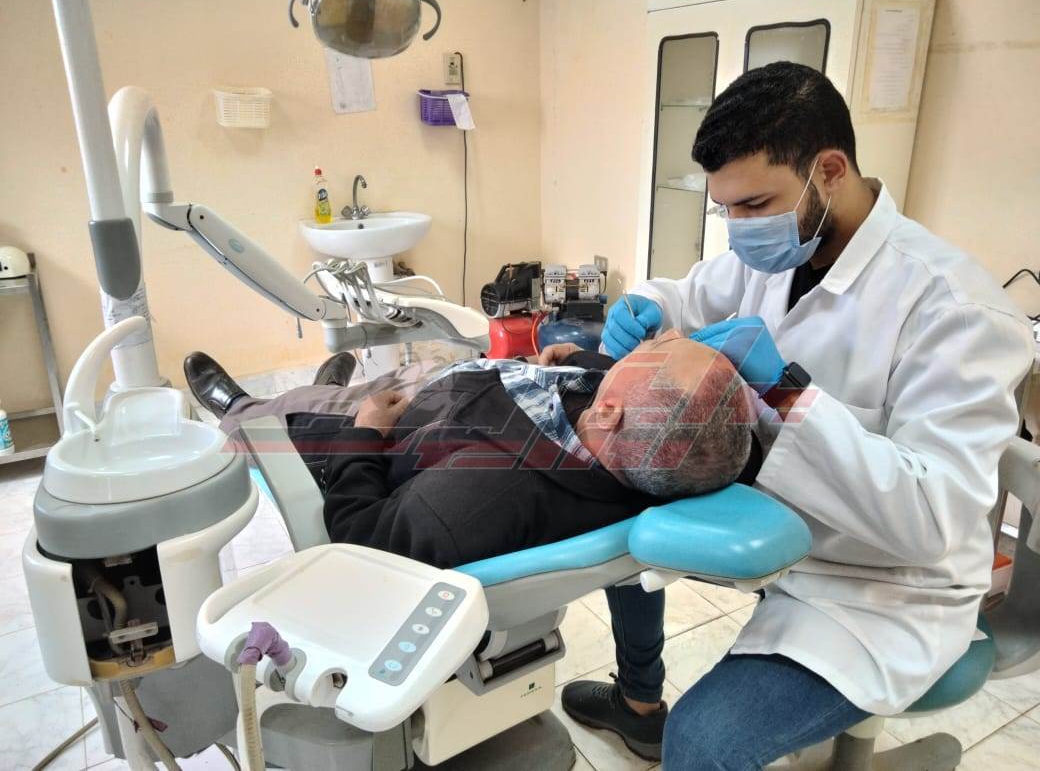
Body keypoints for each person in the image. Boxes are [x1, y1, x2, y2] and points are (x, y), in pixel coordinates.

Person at [562, 61, 1034, 768]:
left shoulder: (955, 310)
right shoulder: (780, 248)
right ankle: (638, 703)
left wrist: (785, 391)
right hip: (776, 531)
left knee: (705, 742)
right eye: (725, 209)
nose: (738, 229)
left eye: (754, 205)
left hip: (878, 590)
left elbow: (933, 518)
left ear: (830, 171)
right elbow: (690, 293)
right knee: (613, 502)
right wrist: (651, 306)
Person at [184, 331, 758, 568]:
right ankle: (329, 389)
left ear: (609, 412)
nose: (660, 336)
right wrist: (580, 363)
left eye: (656, 350)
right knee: (367, 386)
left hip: (394, 431)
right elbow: (687, 416)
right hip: (460, 392)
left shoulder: (477, 496)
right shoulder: (664, 445)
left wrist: (364, 433)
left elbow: (360, 538)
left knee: (291, 417)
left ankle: (238, 406)